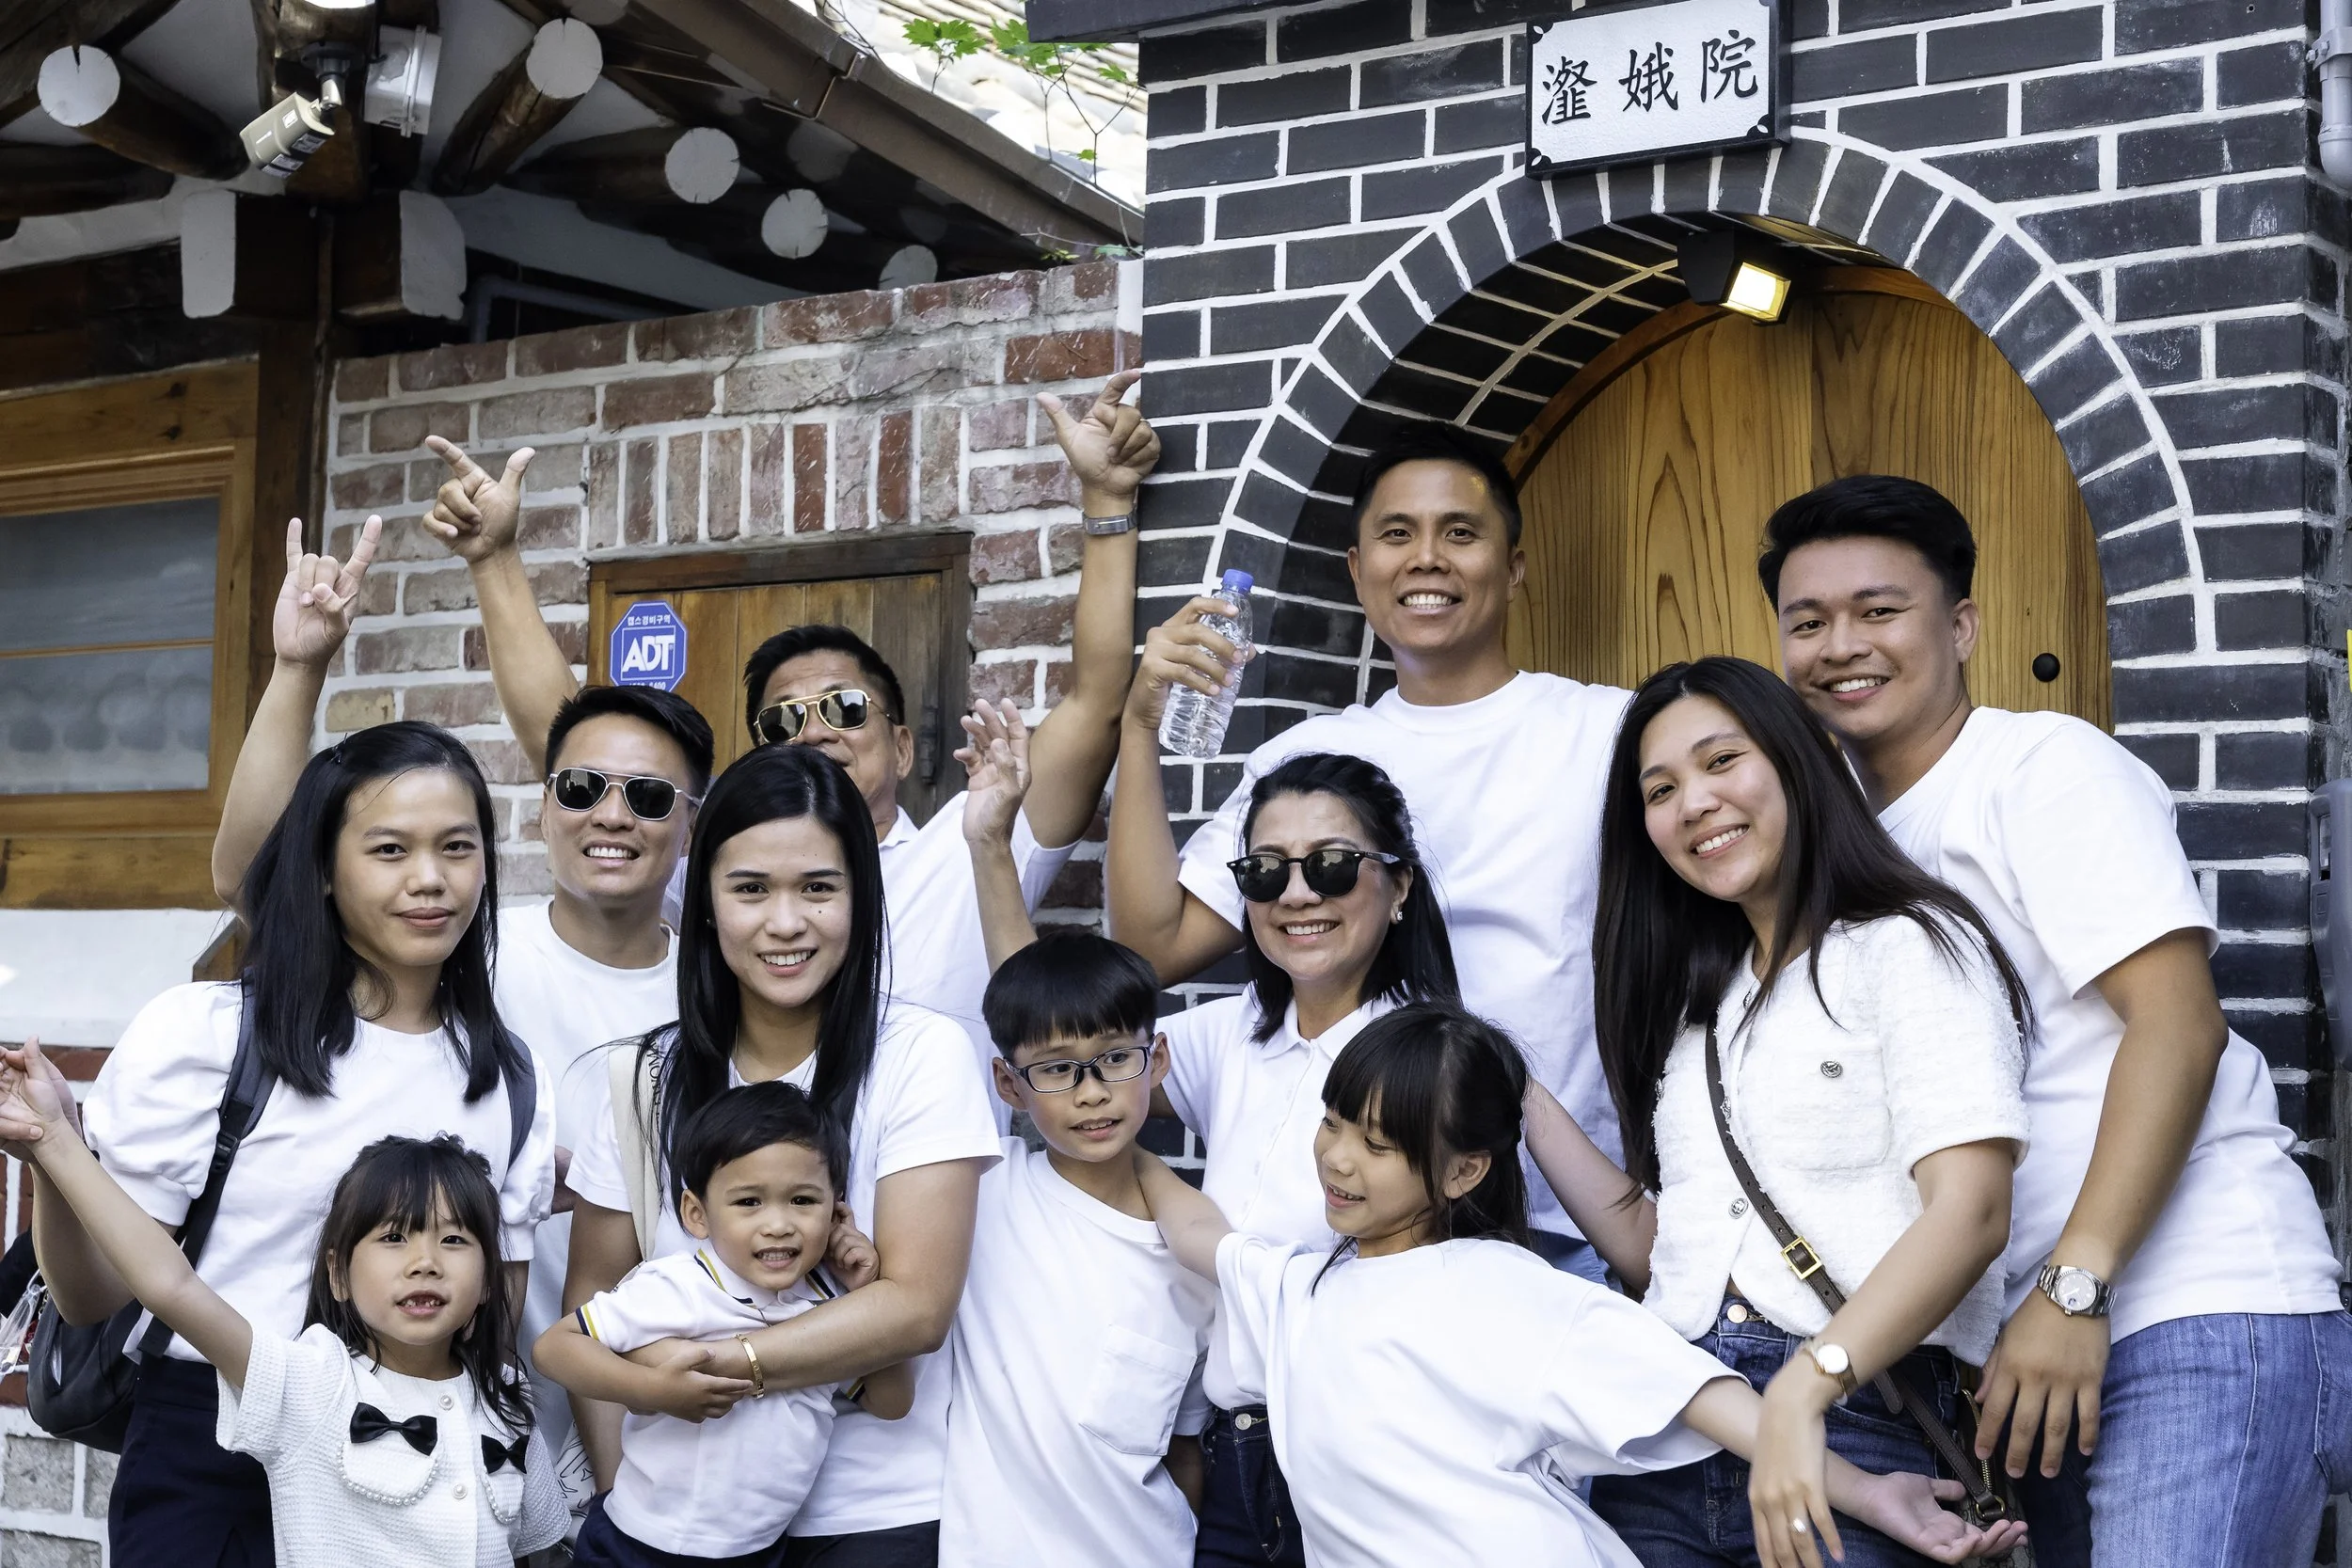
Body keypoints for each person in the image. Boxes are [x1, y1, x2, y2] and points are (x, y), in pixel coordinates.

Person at [1761, 474, 2351, 1567]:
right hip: (2029, 1357)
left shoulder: (2038, 769)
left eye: (1879, 609)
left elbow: (2177, 1027)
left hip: (2189, 1310)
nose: (1841, 643)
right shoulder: (1834, 844)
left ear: (1961, 624)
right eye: (1808, 621)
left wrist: (2073, 1285)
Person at [6, 524, 554, 1563]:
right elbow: (91, 1296)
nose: (428, 879)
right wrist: (54, 1160)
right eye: (388, 850)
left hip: (416, 1473)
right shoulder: (214, 1035)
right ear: (326, 870)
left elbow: (495, 1326)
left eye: (457, 848)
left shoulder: (506, 1076)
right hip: (211, 1460)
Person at [421, 368, 1159, 1092]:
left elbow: (1096, 700)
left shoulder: (973, 845)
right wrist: (493, 559)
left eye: (842, 709)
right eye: (782, 721)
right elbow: (574, 739)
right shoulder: (722, 872)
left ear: (902, 746)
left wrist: (1108, 500)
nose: (813, 732)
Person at [202, 520, 715, 1517]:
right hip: (422, 1404)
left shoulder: (722, 986)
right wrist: (297, 667)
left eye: (649, 795)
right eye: (581, 786)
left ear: (689, 824)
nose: (613, 812)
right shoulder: (460, 941)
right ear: (539, 806)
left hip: (646, 1420)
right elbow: (255, 880)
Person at [1134, 1004, 2028, 1568]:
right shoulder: (1297, 1290)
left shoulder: (1505, 1289)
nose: (1337, 1158)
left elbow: (1694, 1392)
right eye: (1332, 1123)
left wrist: (1869, 1491)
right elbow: (1201, 1233)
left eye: (1378, 1144)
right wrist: (1106, 1128)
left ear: (1462, 1171)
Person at [1518, 656, 2028, 1567]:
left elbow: (1973, 1208)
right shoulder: (1695, 1012)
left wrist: (1805, 1387)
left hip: (1857, 1421)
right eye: (1662, 787)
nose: (1695, 802)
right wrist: (1514, 1089)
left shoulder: (1907, 945)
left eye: (1722, 761)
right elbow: (1655, 1246)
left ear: (1795, 760)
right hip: (1667, 1435)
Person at [1108, 421, 1631, 1275]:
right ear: (1357, 571)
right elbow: (1149, 946)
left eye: (1460, 533)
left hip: (1557, 1217)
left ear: (1516, 565)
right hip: (1351, 1230)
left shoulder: (1607, 730)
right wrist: (1138, 726)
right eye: (1397, 534)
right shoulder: (1306, 759)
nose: (1427, 558)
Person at [561, 742, 1000, 1568]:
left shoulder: (920, 1054)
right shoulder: (644, 1077)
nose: (786, 921)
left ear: (860, 900)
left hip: (871, 1518)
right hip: (671, 1532)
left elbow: (916, 1307)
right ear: (706, 903)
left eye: (818, 888)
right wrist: (630, 1495)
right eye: (751, 888)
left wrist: (723, 1368)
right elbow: (592, 1291)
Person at [1106, 742, 1455, 1568]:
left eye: (1332, 867)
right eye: (1265, 873)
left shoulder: (1430, 1059)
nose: (1297, 893)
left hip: (1368, 1459)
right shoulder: (1232, 1036)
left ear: (1399, 884)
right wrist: (992, 844)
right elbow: (1062, 1053)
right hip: (1235, 1462)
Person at [0, 1102, 564, 1568]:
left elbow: (536, 1551)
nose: (425, 1262)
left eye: (454, 1240)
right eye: (394, 1238)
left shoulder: (508, 1398)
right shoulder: (311, 1382)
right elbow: (169, 1285)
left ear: (490, 1277)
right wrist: (52, 1142)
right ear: (339, 1274)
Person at [538, 1082, 913, 1566]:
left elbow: (893, 1402)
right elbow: (555, 1348)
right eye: (749, 1202)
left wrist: (866, 1290)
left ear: (837, 1210)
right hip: (640, 1545)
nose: (778, 1223)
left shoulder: (829, 1307)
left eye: (802, 1200)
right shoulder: (677, 1286)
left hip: (757, 1551)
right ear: (697, 1214)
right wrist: (650, 1389)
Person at [934, 930, 1216, 1568]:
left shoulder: (1198, 1262)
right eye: (1058, 1068)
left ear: (1159, 1057)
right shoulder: (981, 1194)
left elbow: (1183, 1449)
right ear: (1008, 1083)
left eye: (1117, 1058)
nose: (1092, 1091)